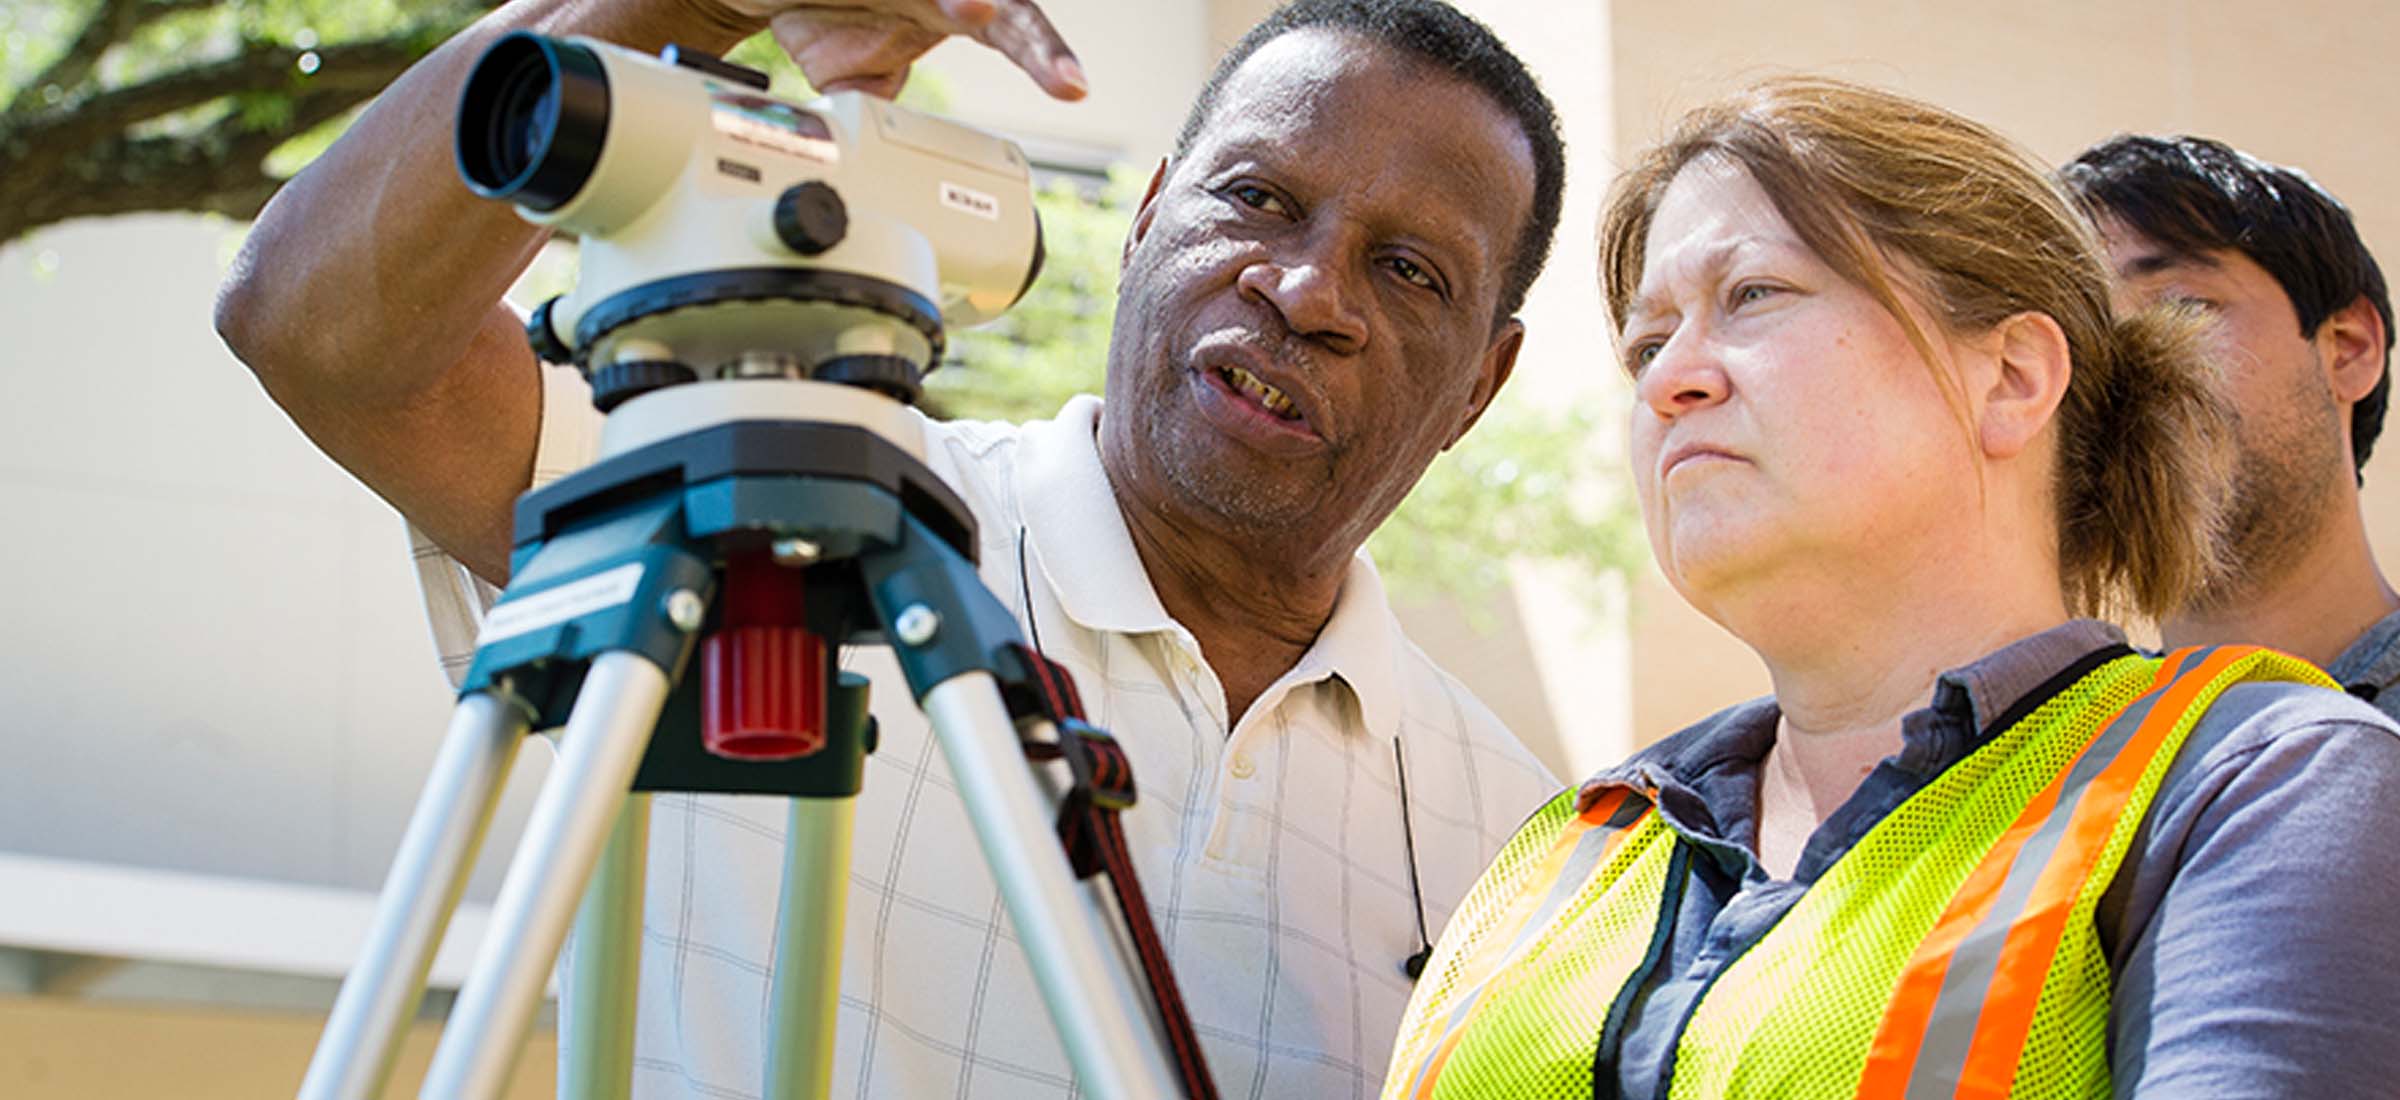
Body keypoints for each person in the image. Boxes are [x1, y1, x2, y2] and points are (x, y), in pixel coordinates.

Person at [213, 0, 1567, 1095]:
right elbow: (317, 331)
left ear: (1480, 389)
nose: (1307, 288)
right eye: (1260, 199)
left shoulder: (1537, 856)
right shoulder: (746, 505)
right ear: (1149, 212)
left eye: (1411, 271)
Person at [1380, 78, 2400, 1099]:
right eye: (1648, 344)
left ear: (2010, 377)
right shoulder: (1564, 848)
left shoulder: (2258, 781)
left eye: (1753, 295)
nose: (1667, 380)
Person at [2061, 137, 2400, 718]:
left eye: (2181, 309)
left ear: (2349, 349)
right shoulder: (2056, 757)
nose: (2132, 367)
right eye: (2092, 338)